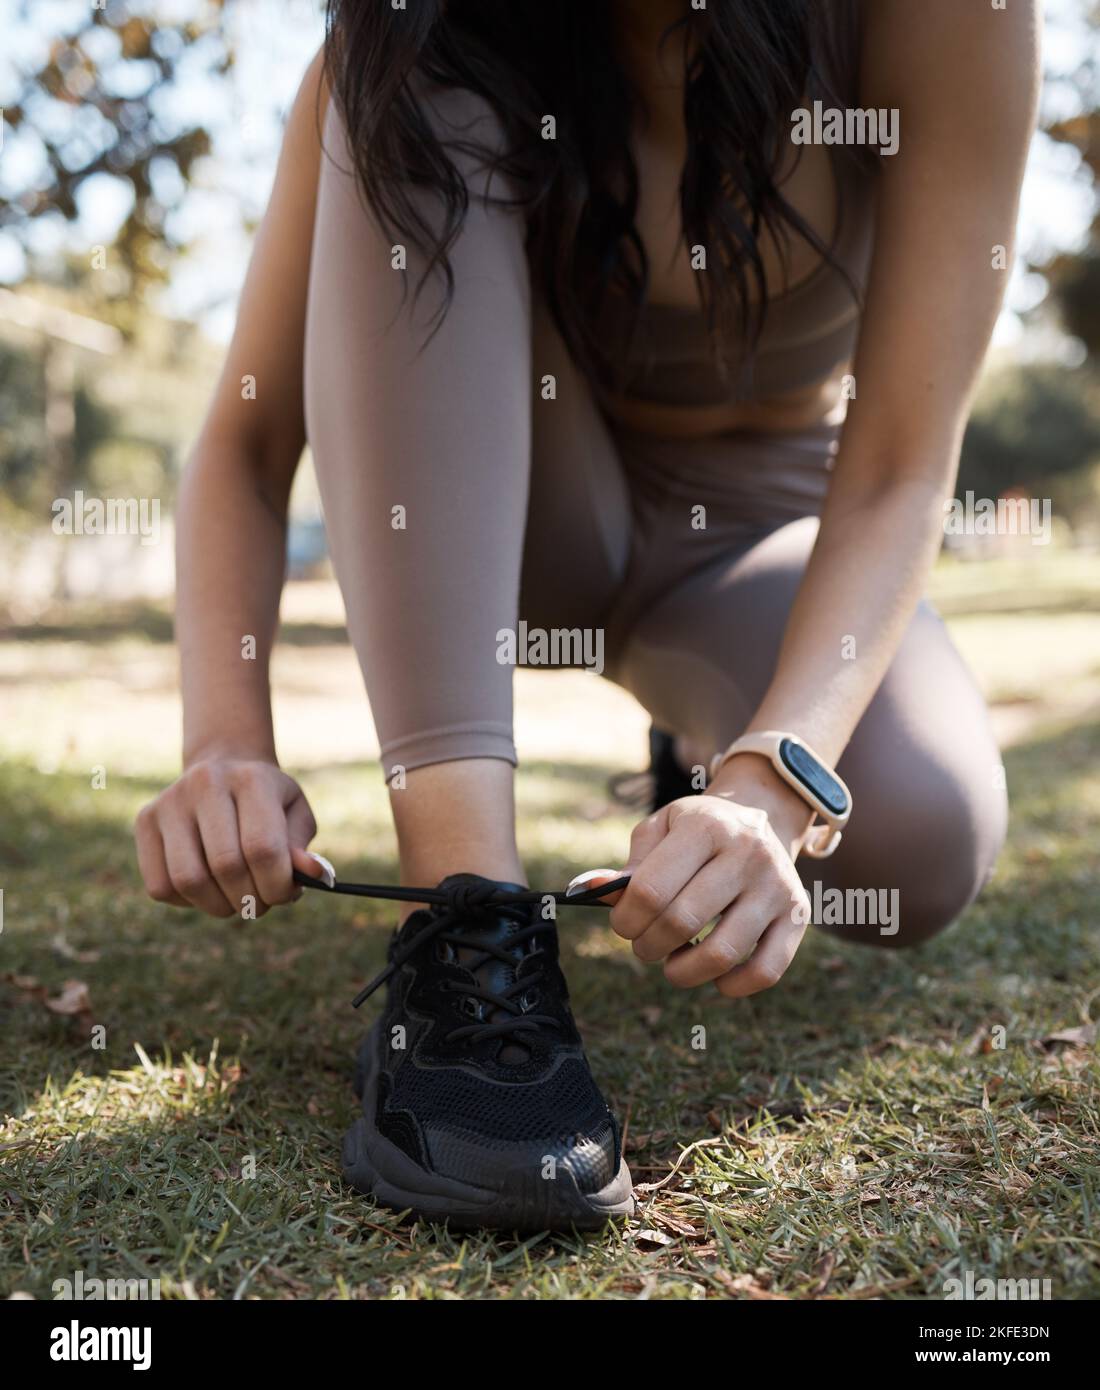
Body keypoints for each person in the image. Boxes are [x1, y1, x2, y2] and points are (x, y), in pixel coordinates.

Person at [135, 0, 1038, 1229]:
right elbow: (245, 441)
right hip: (510, 516)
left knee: (923, 834)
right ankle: (466, 932)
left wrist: (772, 783)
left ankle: (702, 767)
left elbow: (894, 467)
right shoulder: (413, 48)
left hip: (756, 536)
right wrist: (223, 742)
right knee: (404, 66)